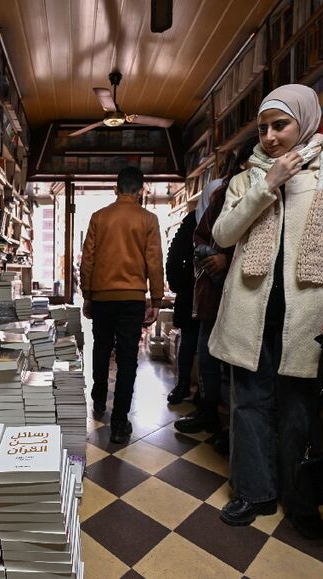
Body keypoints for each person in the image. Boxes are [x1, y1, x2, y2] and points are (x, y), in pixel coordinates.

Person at [209, 84, 323, 538]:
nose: (271, 136)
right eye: (263, 128)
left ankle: (302, 499)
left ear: (305, 121)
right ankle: (254, 492)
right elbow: (223, 234)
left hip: (309, 311)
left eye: (281, 125)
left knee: (301, 409)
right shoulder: (247, 175)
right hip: (250, 308)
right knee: (249, 404)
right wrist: (267, 184)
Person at [174, 139, 257, 444]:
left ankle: (234, 426)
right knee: (208, 354)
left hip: (244, 287)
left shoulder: (267, 192)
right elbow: (202, 233)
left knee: (238, 361)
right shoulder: (223, 193)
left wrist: (227, 258)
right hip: (212, 285)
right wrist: (208, 256)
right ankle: (209, 412)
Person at [81, 166, 164, 444]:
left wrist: (88, 295)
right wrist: (156, 299)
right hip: (132, 298)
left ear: (115, 189)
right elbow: (154, 261)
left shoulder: (99, 218)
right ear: (141, 190)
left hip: (103, 296)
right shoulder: (148, 219)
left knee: (101, 349)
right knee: (128, 359)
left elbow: (87, 261)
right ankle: (119, 423)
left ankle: (98, 401)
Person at [165, 208, 199, 405]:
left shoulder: (193, 219)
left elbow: (173, 255)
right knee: (190, 340)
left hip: (202, 292)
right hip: (191, 291)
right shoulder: (193, 220)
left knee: (193, 341)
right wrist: (177, 285)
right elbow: (174, 256)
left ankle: (189, 386)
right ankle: (186, 384)